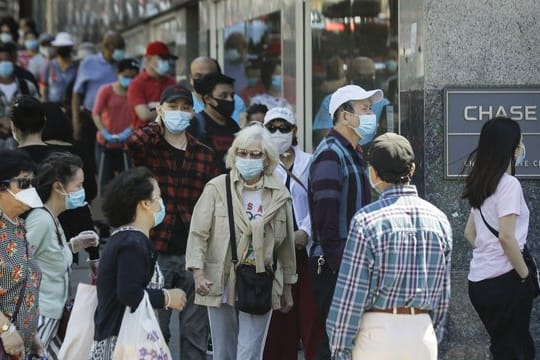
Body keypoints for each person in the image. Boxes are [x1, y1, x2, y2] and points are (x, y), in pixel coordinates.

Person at [327, 133, 452, 359]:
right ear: (412, 169)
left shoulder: (366, 221)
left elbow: (351, 294)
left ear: (373, 172)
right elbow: (443, 294)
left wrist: (339, 347)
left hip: (377, 333)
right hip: (422, 331)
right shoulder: (440, 219)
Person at [186, 124, 296, 360]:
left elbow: (285, 246)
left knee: (249, 352)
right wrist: (197, 272)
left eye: (255, 154)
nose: (248, 158)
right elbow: (198, 233)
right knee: (223, 351)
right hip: (221, 278)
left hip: (260, 280)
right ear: (234, 155)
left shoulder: (279, 194)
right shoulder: (217, 187)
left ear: (267, 158)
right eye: (243, 153)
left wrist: (287, 286)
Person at [126, 84, 219, 359]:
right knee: (155, 331)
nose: (179, 113)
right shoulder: (150, 148)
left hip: (194, 251)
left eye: (184, 108)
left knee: (195, 335)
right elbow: (131, 143)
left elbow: (213, 202)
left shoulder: (203, 153)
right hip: (156, 248)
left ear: (192, 112)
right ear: (161, 110)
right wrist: (157, 124)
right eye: (172, 107)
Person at [308, 84, 382, 358]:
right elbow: (326, 218)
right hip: (334, 266)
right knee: (337, 342)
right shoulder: (331, 153)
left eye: (370, 108)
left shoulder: (353, 152)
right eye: (364, 108)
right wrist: (343, 267)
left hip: (349, 263)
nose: (370, 114)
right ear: (344, 115)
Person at [90, 167, 187, 359]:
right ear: (144, 203)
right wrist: (167, 297)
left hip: (125, 338)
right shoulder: (132, 243)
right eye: (158, 197)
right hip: (123, 343)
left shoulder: (127, 238)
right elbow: (128, 293)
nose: (161, 204)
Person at [462, 117, 536, 359]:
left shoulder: (482, 182)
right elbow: (506, 237)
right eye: (519, 144)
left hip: (480, 282)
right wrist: (525, 276)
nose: (521, 149)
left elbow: (469, 234)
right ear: (510, 149)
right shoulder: (509, 185)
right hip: (507, 282)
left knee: (505, 348)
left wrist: (490, 253)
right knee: (517, 351)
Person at [262, 107, 325, 360]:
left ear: (295, 130)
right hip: (274, 253)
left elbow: (319, 203)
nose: (278, 132)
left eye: (284, 127)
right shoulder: (259, 164)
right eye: (272, 128)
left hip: (305, 252)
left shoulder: (311, 162)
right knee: (279, 326)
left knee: (311, 320)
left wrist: (305, 232)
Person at [25, 152, 100, 359]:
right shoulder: (41, 220)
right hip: (40, 317)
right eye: (78, 185)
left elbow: (47, 256)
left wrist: (73, 245)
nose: (82, 191)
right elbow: (19, 265)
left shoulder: (52, 217)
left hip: (51, 314)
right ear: (58, 187)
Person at [15, 97, 100, 268]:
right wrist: (93, 254)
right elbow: (81, 204)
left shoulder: (11, 162)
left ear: (13, 127)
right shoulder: (64, 160)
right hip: (61, 245)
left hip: (22, 253)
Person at [0, 149, 44, 358]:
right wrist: (5, 329)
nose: (31, 190)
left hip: (19, 345)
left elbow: (21, 284)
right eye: (24, 184)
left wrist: (31, 334)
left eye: (33, 184)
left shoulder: (19, 225)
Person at [72, 31, 125, 165]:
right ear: (107, 47)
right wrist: (75, 122)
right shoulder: (89, 63)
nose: (121, 50)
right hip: (90, 118)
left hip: (116, 121)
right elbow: (76, 93)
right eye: (118, 47)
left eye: (122, 46)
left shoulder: (123, 65)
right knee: (91, 160)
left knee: (115, 161)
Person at [313, 57, 391, 147]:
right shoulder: (332, 101)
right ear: (349, 76)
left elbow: (388, 139)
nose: (365, 79)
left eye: (370, 76)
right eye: (360, 75)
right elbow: (325, 138)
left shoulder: (383, 103)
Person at [92, 57, 138, 193]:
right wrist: (105, 132)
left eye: (132, 77)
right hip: (105, 143)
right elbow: (96, 113)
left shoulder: (135, 92)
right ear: (118, 73)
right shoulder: (106, 90)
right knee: (105, 183)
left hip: (126, 143)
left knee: (129, 182)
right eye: (125, 76)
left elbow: (137, 115)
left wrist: (127, 132)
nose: (129, 79)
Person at [190, 72, 240, 173]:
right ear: (208, 99)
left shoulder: (233, 126)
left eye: (232, 96)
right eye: (223, 95)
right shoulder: (195, 125)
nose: (230, 100)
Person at [127, 41, 176, 129]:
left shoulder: (171, 82)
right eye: (162, 59)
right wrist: (170, 110)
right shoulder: (136, 84)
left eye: (167, 59)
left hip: (168, 135)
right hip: (144, 137)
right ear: (148, 59)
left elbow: (179, 109)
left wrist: (154, 108)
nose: (166, 62)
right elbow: (144, 115)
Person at [0, 42, 39, 149]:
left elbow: (38, 113)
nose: (3, 64)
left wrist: (17, 123)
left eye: (6, 60)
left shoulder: (27, 86)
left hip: (23, 147)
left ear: (13, 60)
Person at [190, 56, 246, 124]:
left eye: (209, 76)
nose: (204, 79)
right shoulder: (185, 103)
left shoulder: (236, 101)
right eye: (198, 76)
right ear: (191, 79)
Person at [39, 32, 78, 106]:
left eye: (65, 47)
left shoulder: (77, 67)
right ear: (55, 48)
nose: (63, 49)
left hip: (71, 106)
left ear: (70, 48)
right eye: (60, 47)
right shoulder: (48, 66)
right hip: (53, 107)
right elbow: (43, 89)